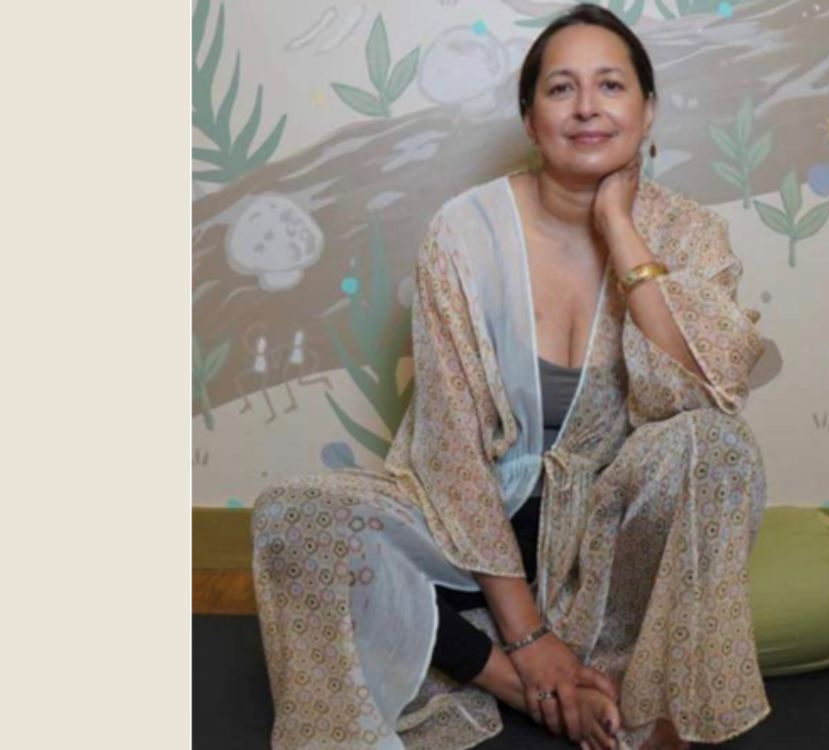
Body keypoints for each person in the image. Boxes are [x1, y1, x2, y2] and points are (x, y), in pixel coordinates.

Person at [251, 4, 771, 750]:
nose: (586, 107)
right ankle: (524, 687)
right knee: (292, 514)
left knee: (716, 446)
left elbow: (704, 392)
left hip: (606, 546)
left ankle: (652, 716)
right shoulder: (463, 232)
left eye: (610, 85)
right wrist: (527, 642)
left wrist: (618, 227)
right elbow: (451, 450)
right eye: (561, 89)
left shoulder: (688, 233)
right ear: (530, 119)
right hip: (476, 533)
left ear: (648, 109)